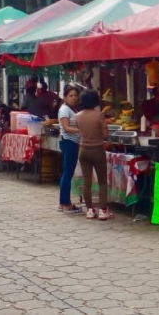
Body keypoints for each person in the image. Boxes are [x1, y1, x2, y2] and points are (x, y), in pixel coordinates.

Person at [76, 89, 112, 221]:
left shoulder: (78, 115)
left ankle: (90, 210)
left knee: (87, 181)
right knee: (102, 181)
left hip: (83, 150)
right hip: (97, 150)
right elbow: (105, 135)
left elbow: (80, 131)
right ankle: (103, 210)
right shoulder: (99, 115)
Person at [58, 86, 83, 214]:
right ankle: (66, 204)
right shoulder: (64, 110)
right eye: (70, 96)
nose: (73, 98)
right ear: (65, 97)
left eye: (75, 95)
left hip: (72, 142)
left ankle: (63, 203)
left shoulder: (72, 109)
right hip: (68, 142)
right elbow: (66, 128)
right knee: (68, 173)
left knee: (67, 173)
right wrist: (82, 130)